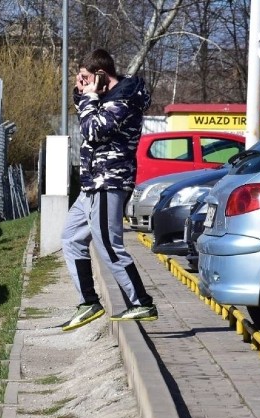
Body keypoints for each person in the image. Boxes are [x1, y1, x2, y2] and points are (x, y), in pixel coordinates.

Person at [61, 48, 159, 331]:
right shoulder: (103, 99)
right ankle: (88, 302)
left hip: (110, 181)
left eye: (84, 78)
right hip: (93, 182)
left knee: (108, 244)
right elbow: (87, 118)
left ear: (100, 76)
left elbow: (93, 130)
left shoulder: (124, 100)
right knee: (70, 238)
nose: (81, 84)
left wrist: (90, 98)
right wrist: (86, 96)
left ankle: (141, 302)